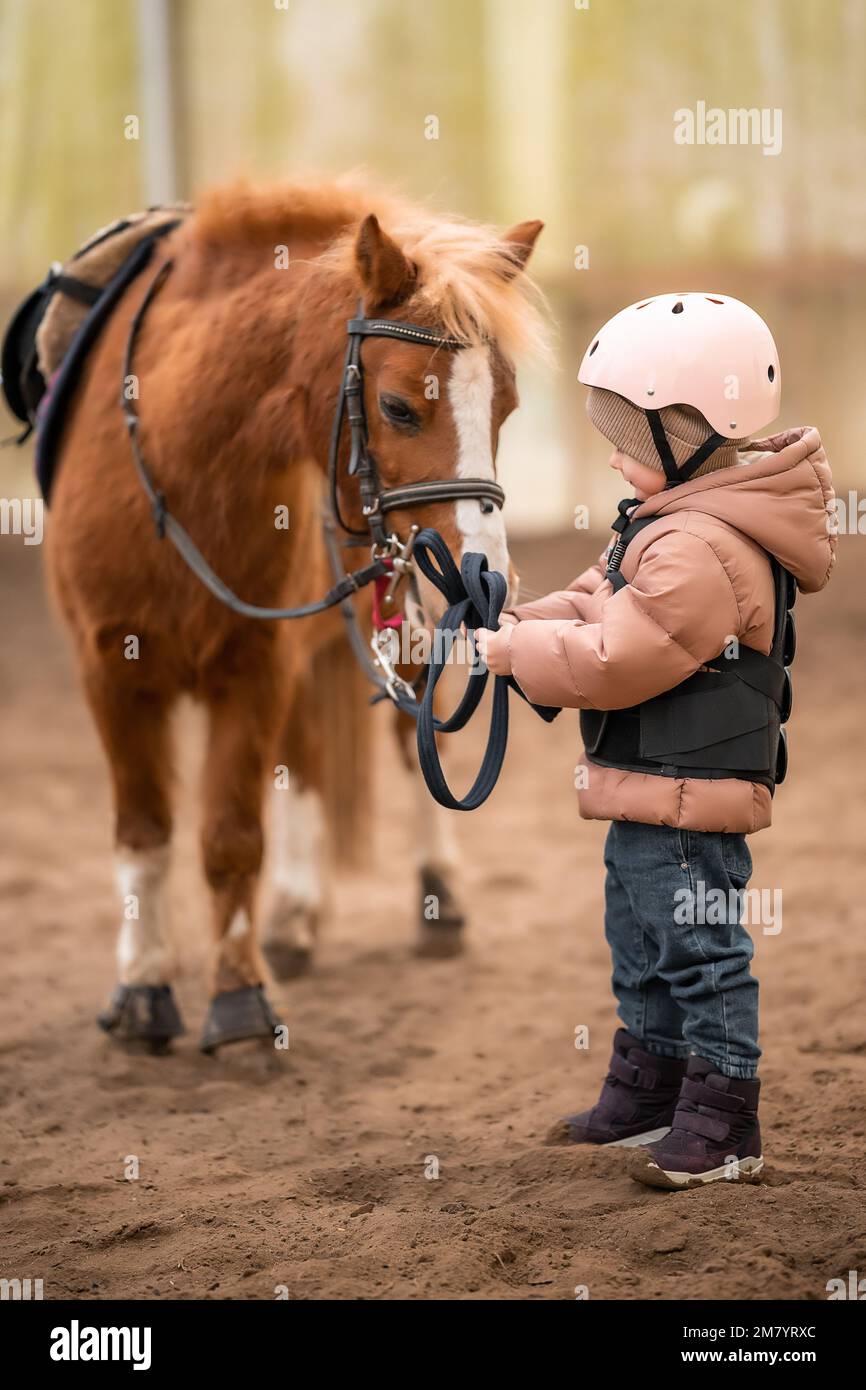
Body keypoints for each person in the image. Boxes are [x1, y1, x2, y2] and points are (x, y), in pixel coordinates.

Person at [475, 293, 835, 1188]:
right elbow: (593, 602)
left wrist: (514, 651)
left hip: (689, 799)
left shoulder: (701, 547)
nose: (613, 453)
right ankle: (652, 1088)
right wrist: (513, 623)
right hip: (650, 788)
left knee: (702, 954)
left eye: (629, 436)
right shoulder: (666, 524)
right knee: (642, 946)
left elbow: (615, 655)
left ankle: (724, 1121)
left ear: (691, 430)